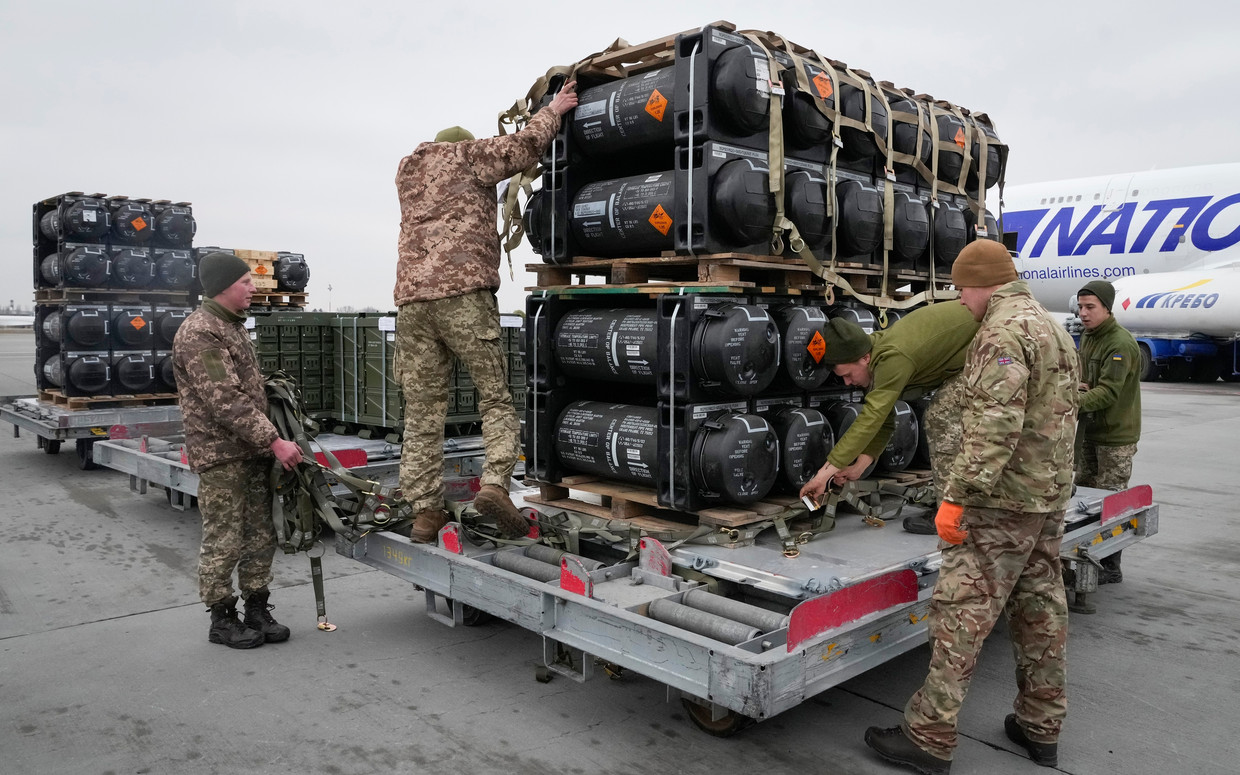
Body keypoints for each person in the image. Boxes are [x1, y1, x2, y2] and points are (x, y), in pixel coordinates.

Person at [863, 239, 1081, 774]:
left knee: (961, 614)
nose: (960, 301)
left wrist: (957, 496)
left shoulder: (1001, 331)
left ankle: (929, 736)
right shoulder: (1053, 326)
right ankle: (1041, 725)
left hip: (1000, 503)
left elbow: (994, 426)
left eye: (961, 290)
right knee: (1041, 609)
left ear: (983, 284)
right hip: (1046, 496)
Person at [393, 81, 579, 543]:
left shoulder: (407, 172)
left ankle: (425, 513)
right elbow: (523, 146)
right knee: (494, 397)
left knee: (422, 413)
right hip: (463, 296)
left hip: (412, 304)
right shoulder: (467, 156)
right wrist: (553, 110)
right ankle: (495, 484)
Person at [173, 251, 304, 649]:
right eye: (246, 282)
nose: (253, 288)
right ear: (222, 287)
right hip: (222, 454)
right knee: (225, 537)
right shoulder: (201, 333)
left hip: (251, 450)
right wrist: (274, 440)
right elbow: (225, 399)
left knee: (260, 534)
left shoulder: (232, 326)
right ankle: (222, 617)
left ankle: (257, 608)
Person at [798, 303, 979, 533]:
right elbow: (883, 420)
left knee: (940, 417)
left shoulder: (893, 357)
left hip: (992, 343)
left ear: (864, 358)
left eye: (848, 374)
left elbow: (871, 418)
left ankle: (952, 515)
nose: (847, 382)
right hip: (973, 350)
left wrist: (823, 475)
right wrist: (858, 468)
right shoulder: (875, 356)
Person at [1074, 279, 1141, 585]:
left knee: (1111, 503)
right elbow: (1089, 381)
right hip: (1090, 430)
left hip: (1115, 436)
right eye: (1080, 306)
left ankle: (1110, 565)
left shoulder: (1120, 343)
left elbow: (1109, 392)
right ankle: (1086, 557)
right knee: (1084, 499)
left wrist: (1071, 402)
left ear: (1107, 308)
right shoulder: (1089, 336)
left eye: (1090, 307)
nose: (1083, 313)